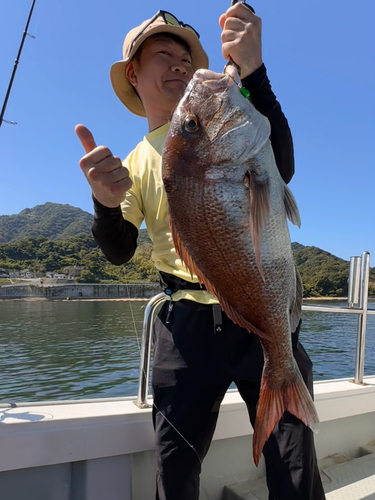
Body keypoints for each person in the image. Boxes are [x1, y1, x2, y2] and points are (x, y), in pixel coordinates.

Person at [76, 5, 326, 500]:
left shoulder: (235, 124)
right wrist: (105, 206)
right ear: (134, 74)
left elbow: (283, 164)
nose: (179, 64)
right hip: (185, 330)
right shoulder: (134, 163)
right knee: (176, 466)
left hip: (263, 320)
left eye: (185, 57)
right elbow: (120, 250)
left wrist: (255, 70)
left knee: (296, 466)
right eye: (163, 54)